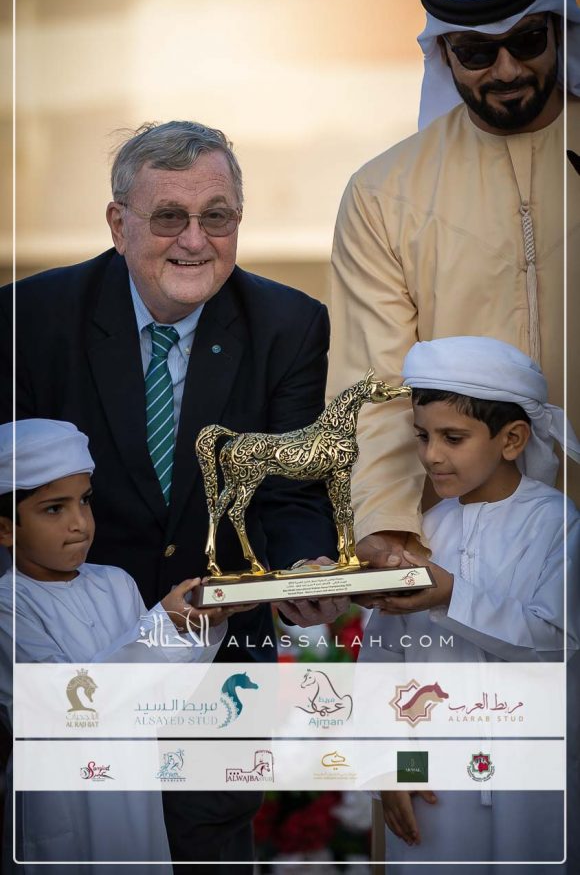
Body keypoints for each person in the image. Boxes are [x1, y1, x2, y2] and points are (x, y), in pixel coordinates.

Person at [0, 120, 341, 869]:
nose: (194, 240)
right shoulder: (27, 320)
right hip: (71, 663)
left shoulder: (289, 324)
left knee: (210, 846)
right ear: (117, 223)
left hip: (222, 676)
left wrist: (304, 568)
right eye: (168, 217)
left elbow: (289, 491)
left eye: (216, 216)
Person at [327, 0, 580, 570]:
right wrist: (385, 521)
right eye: (477, 52)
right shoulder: (385, 191)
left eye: (528, 41)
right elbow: (376, 384)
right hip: (464, 543)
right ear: (444, 53)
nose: (508, 69)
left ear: (559, 28)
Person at [359, 336, 580, 873]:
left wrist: (453, 595)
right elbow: (386, 663)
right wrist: (393, 767)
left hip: (534, 780)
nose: (431, 454)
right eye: (422, 436)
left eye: (452, 438)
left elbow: (557, 642)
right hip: (436, 785)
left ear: (511, 439)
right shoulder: (422, 534)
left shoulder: (556, 523)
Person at [0, 418, 245, 872]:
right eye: (54, 509)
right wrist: (163, 625)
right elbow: (69, 704)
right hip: (63, 801)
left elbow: (158, 701)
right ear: (5, 529)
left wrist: (199, 624)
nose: (79, 523)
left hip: (133, 795)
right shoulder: (9, 605)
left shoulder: (116, 584)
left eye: (85, 501)